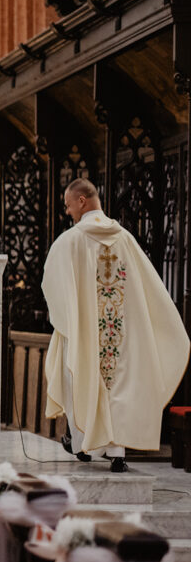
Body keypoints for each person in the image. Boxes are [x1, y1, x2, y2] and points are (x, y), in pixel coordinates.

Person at [43, 177, 189, 472]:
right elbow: (151, 288)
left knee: (79, 378)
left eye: (69, 205)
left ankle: (84, 446)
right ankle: (117, 453)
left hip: (85, 333)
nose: (68, 212)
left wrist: (69, 320)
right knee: (118, 386)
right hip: (119, 334)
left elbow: (51, 284)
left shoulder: (70, 240)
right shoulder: (125, 238)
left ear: (82, 201)